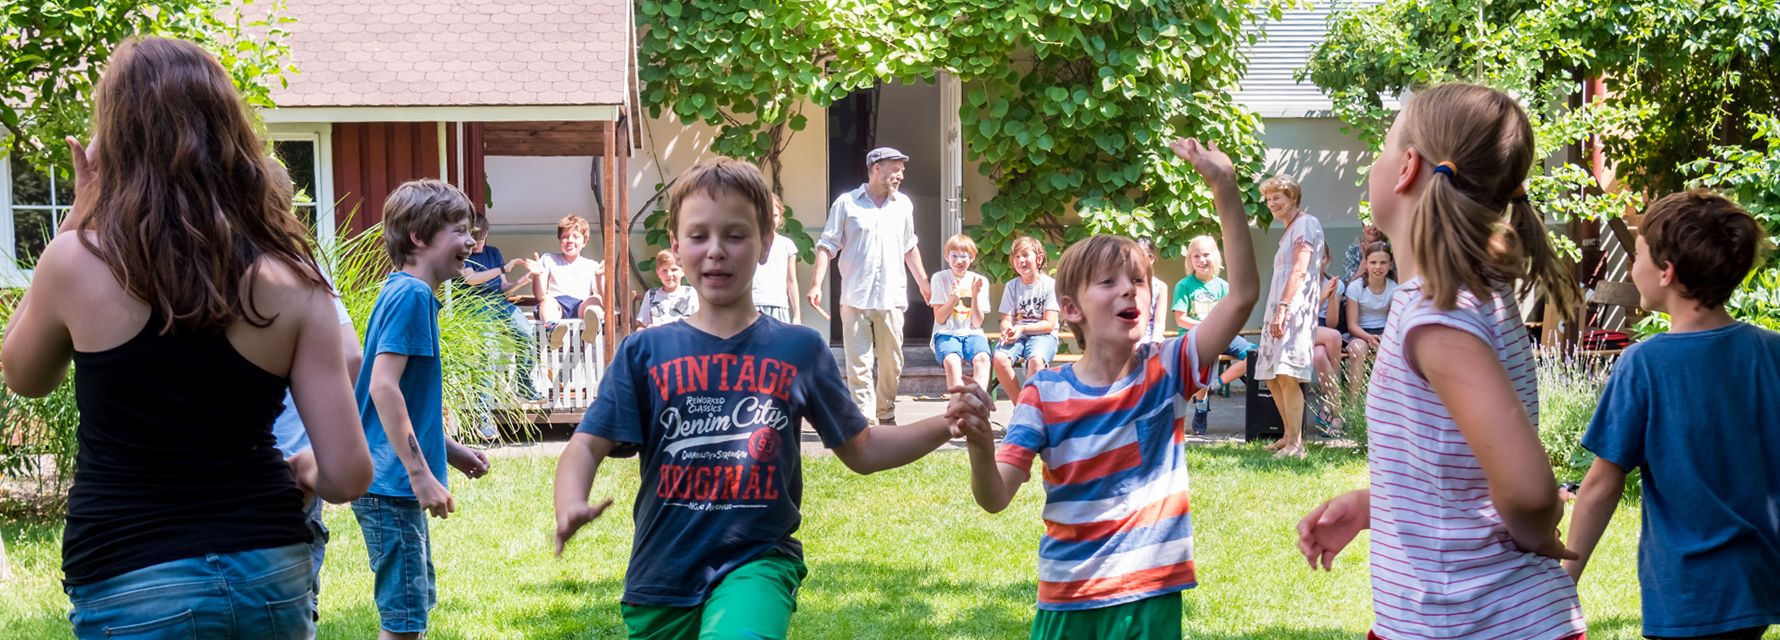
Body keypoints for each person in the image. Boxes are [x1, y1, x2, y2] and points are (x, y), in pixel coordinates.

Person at [0, 36, 372, 639]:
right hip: (268, 574)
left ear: (117, 138)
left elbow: (23, 374)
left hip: (131, 577)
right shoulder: (292, 277)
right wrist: (304, 471)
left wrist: (79, 213)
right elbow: (349, 475)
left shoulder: (74, 263)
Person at [553, 157, 993, 640]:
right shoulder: (645, 352)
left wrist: (945, 423)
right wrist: (571, 500)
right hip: (661, 576)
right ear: (676, 248)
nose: (716, 251)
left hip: (758, 560)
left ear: (766, 244)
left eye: (736, 235)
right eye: (699, 236)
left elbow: (862, 449)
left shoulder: (798, 349)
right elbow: (586, 444)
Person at [1295, 83, 1588, 640]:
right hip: (1451, 619)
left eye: (1381, 149)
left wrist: (1536, 528)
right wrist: (1373, 505)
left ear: (1406, 167)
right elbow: (1459, 471)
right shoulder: (1463, 295)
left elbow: (1528, 492)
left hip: (1473, 622)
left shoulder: (1438, 312)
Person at [957, 137, 1257, 640]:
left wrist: (1224, 187)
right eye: (1109, 282)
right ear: (1070, 309)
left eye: (1137, 281)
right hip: (1069, 602)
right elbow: (995, 498)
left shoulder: (1167, 369)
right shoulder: (1044, 394)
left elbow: (1243, 295)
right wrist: (981, 448)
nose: (1128, 289)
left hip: (1151, 596)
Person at [1563, 190, 1780, 640]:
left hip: (1688, 593)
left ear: (1666, 272)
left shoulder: (1645, 363)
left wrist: (1565, 578)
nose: (1633, 264)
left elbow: (1603, 483)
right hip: (1758, 582)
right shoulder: (1770, 351)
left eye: (1637, 253)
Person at [354, 180, 495, 640]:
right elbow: (381, 387)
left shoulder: (402, 292)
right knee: (404, 622)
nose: (471, 242)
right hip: (393, 483)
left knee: (410, 612)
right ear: (419, 235)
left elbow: (403, 399)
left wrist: (449, 450)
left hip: (389, 480)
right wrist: (419, 474)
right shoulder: (412, 297)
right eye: (460, 230)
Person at [807, 147, 931, 426]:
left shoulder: (904, 205)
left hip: (892, 295)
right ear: (876, 168)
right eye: (895, 168)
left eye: (902, 169)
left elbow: (909, 246)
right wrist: (817, 285)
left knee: (892, 362)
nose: (900, 175)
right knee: (859, 364)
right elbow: (827, 246)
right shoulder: (846, 203)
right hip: (855, 295)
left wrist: (924, 283)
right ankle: (865, 419)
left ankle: (885, 410)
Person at [270, 273, 362, 616]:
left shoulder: (171, 263)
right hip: (294, 461)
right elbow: (353, 358)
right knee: (293, 604)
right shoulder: (295, 267)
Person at [1254, 174, 1324, 457]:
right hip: (1279, 304)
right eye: (1269, 200)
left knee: (1287, 373)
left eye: (1277, 198)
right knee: (1272, 375)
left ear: (1293, 198)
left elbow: (1300, 269)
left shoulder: (1306, 224)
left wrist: (1283, 307)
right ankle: (1288, 435)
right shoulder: (1290, 228)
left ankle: (1297, 445)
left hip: (1293, 306)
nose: (1272, 204)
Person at [1172, 234, 1256, 435]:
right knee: (1205, 357)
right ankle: (1201, 407)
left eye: (1206, 255)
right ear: (1190, 260)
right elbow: (1181, 319)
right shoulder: (1184, 286)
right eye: (1196, 256)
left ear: (1216, 257)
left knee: (1256, 355)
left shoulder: (1224, 287)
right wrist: (1207, 327)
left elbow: (1230, 316)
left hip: (1222, 335)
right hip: (1196, 337)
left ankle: (1214, 386)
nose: (1202, 261)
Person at [462, 213, 540, 403]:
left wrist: (518, 284)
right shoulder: (462, 255)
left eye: (480, 238)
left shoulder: (493, 252)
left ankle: (524, 384)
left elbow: (503, 287)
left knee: (525, 331)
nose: (476, 243)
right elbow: (471, 279)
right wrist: (503, 269)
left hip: (498, 302)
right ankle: (483, 410)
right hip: (475, 306)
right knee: (490, 348)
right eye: (473, 238)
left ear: (486, 233)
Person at [991, 236, 1060, 401]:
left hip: (1043, 335)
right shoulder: (1011, 286)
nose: (1020, 260)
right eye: (1016, 257)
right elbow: (1006, 320)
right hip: (1018, 335)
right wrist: (1008, 330)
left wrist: (1022, 328)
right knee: (999, 358)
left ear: (1039, 258)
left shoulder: (1050, 285)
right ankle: (1021, 406)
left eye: (1025, 255)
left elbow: (1049, 324)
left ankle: (1031, 410)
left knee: (1036, 361)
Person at [928, 234, 993, 391]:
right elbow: (940, 318)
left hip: (973, 333)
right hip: (946, 333)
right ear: (946, 257)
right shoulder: (939, 278)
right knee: (952, 360)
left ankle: (977, 405)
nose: (959, 261)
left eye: (964, 256)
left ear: (971, 258)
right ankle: (958, 405)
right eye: (954, 255)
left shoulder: (980, 281)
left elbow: (976, 323)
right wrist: (953, 298)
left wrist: (975, 296)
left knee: (983, 358)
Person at [530, 214, 605, 346]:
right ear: (559, 240)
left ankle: (591, 328)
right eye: (565, 237)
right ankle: (552, 329)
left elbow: (604, 301)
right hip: (557, 306)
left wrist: (599, 278)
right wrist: (537, 275)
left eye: (576, 236)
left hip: (581, 306)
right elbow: (539, 295)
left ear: (584, 242)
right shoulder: (549, 259)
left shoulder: (592, 266)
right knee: (546, 299)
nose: (570, 240)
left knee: (595, 300)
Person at [1341, 242, 1397, 403]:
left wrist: (1382, 337)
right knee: (1357, 350)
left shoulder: (1394, 288)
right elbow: (1352, 325)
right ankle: (1353, 406)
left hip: (1385, 332)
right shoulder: (1355, 288)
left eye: (1383, 262)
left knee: (1394, 350)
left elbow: (1394, 322)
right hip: (1360, 332)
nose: (1377, 267)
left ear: (1390, 265)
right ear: (1366, 264)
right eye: (1373, 262)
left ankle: (1389, 404)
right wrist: (1369, 338)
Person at [751, 193, 802, 324]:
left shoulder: (787, 245)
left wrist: (797, 314)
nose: (770, 219)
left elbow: (791, 281)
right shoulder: (749, 242)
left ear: (780, 217)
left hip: (778, 306)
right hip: (753, 304)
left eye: (774, 215)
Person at [638, 249, 699, 329]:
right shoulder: (651, 295)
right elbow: (640, 328)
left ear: (683, 271)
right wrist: (648, 330)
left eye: (674, 270)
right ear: (658, 273)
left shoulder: (691, 293)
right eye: (664, 271)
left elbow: (702, 325)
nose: (669, 274)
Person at [1134, 237, 1170, 345]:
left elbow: (1159, 323)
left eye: (1143, 257)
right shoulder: (1125, 284)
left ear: (1151, 259)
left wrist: (1152, 346)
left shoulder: (1160, 287)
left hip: (1151, 337)